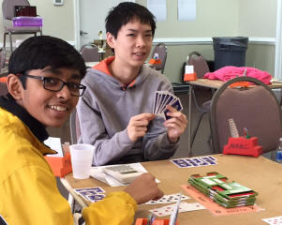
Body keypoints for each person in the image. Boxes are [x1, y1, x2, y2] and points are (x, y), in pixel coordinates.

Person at [0, 36, 163, 225]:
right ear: (15, 86)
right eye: (50, 81)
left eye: (73, 84)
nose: (65, 94)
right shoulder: (22, 162)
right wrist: (128, 198)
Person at [77, 2, 188, 166]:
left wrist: (169, 138)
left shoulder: (160, 84)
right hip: (101, 173)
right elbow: (95, 156)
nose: (141, 43)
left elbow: (153, 154)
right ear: (111, 40)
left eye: (147, 35)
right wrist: (127, 136)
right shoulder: (89, 85)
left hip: (146, 170)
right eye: (132, 35)